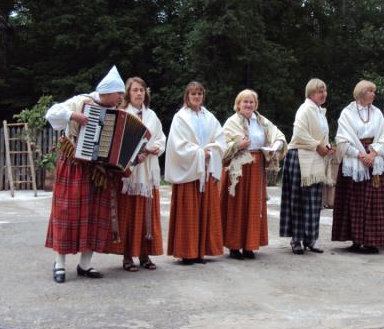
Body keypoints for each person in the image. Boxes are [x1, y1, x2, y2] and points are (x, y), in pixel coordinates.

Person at [45, 65, 125, 283]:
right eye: (119, 94)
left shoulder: (116, 113)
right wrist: (74, 115)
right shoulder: (81, 101)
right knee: (65, 213)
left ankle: (85, 263)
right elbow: (51, 113)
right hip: (73, 165)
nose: (121, 98)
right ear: (108, 92)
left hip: (97, 170)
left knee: (94, 214)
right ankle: (59, 263)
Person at [105, 77, 166, 271]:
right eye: (135, 90)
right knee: (130, 214)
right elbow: (117, 141)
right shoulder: (123, 114)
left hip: (147, 172)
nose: (139, 93)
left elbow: (161, 138)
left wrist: (153, 149)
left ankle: (145, 255)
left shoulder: (152, 116)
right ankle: (127, 256)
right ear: (128, 94)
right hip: (130, 173)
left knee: (147, 213)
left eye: (142, 90)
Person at [220, 89, 287, 259]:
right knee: (238, 206)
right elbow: (222, 147)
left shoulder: (262, 121)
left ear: (255, 104)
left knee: (253, 206)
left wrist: (277, 143)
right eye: (245, 102)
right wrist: (237, 145)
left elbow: (278, 135)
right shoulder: (231, 122)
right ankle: (234, 246)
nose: (248, 105)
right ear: (238, 104)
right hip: (239, 168)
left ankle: (249, 245)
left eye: (251, 102)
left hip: (256, 168)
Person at [164, 81, 225, 265]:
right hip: (189, 171)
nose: (196, 97)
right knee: (188, 212)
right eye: (193, 94)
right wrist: (200, 153)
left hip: (205, 169)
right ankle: (186, 252)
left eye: (199, 93)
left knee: (204, 211)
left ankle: (200, 251)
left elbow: (220, 139)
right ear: (187, 96)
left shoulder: (209, 117)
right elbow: (177, 144)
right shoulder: (180, 118)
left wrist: (211, 151)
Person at [331, 80, 384, 253]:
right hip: (354, 158)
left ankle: (371, 241)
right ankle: (356, 240)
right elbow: (342, 139)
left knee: (372, 202)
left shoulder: (377, 112)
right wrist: (359, 154)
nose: (374, 94)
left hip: (373, 157)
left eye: (374, 91)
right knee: (354, 200)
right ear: (362, 92)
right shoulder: (347, 113)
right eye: (371, 91)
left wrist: (373, 154)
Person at [279, 78, 335, 255]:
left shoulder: (319, 111)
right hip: (300, 157)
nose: (323, 94)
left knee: (313, 202)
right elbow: (299, 134)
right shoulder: (304, 109)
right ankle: (296, 239)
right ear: (311, 93)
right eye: (320, 91)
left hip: (314, 158)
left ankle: (310, 238)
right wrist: (318, 146)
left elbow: (322, 134)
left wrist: (326, 147)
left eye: (325, 91)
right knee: (298, 201)